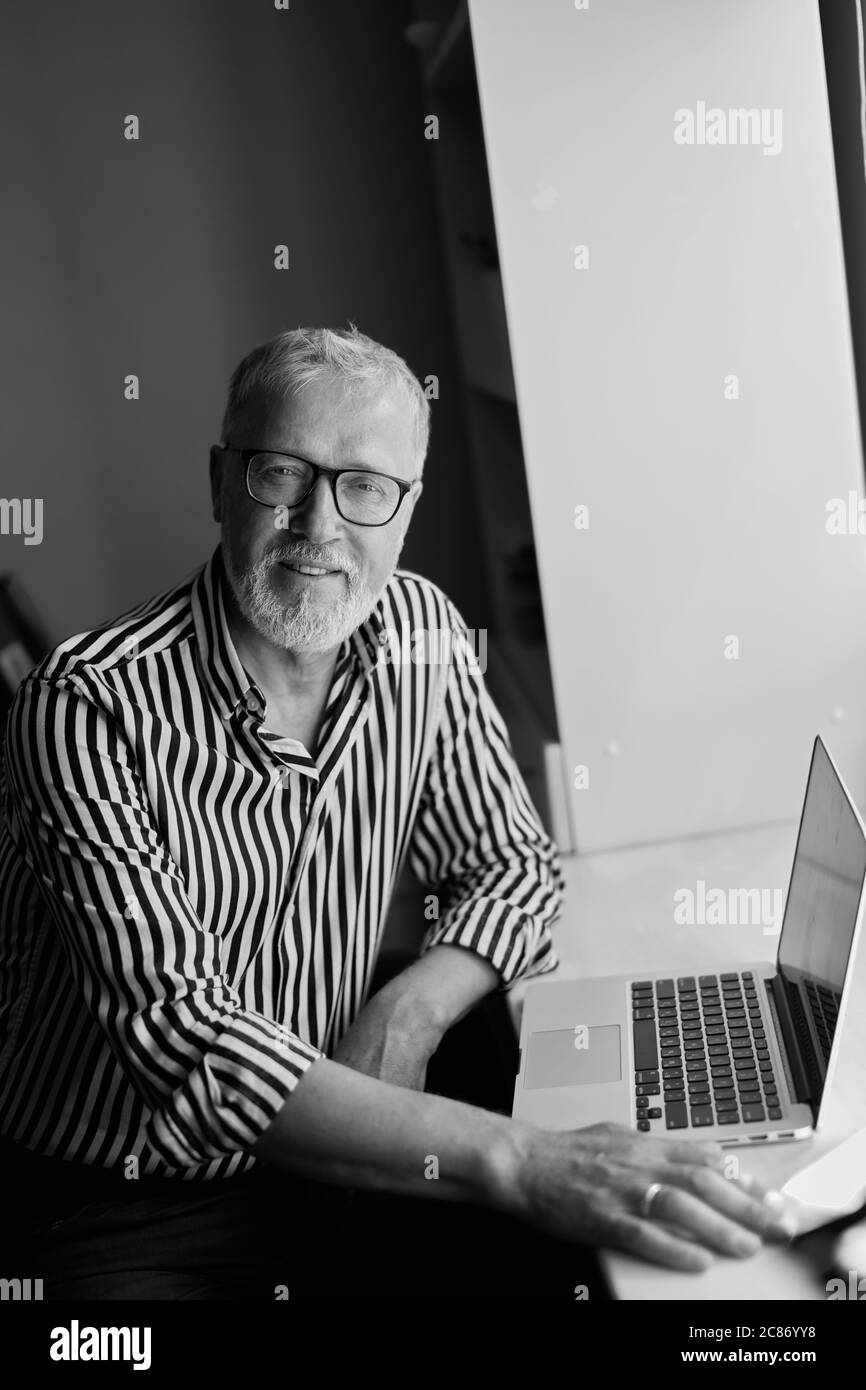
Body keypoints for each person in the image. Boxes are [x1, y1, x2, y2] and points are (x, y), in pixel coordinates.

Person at [0, 325, 795, 1300]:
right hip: (124, 1200)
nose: (318, 527)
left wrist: (407, 1011)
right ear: (219, 481)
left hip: (359, 1107)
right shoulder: (84, 705)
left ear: (406, 510)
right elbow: (189, 1043)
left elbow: (509, 861)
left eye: (365, 487)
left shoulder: (418, 631)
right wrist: (521, 1159)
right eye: (282, 473)